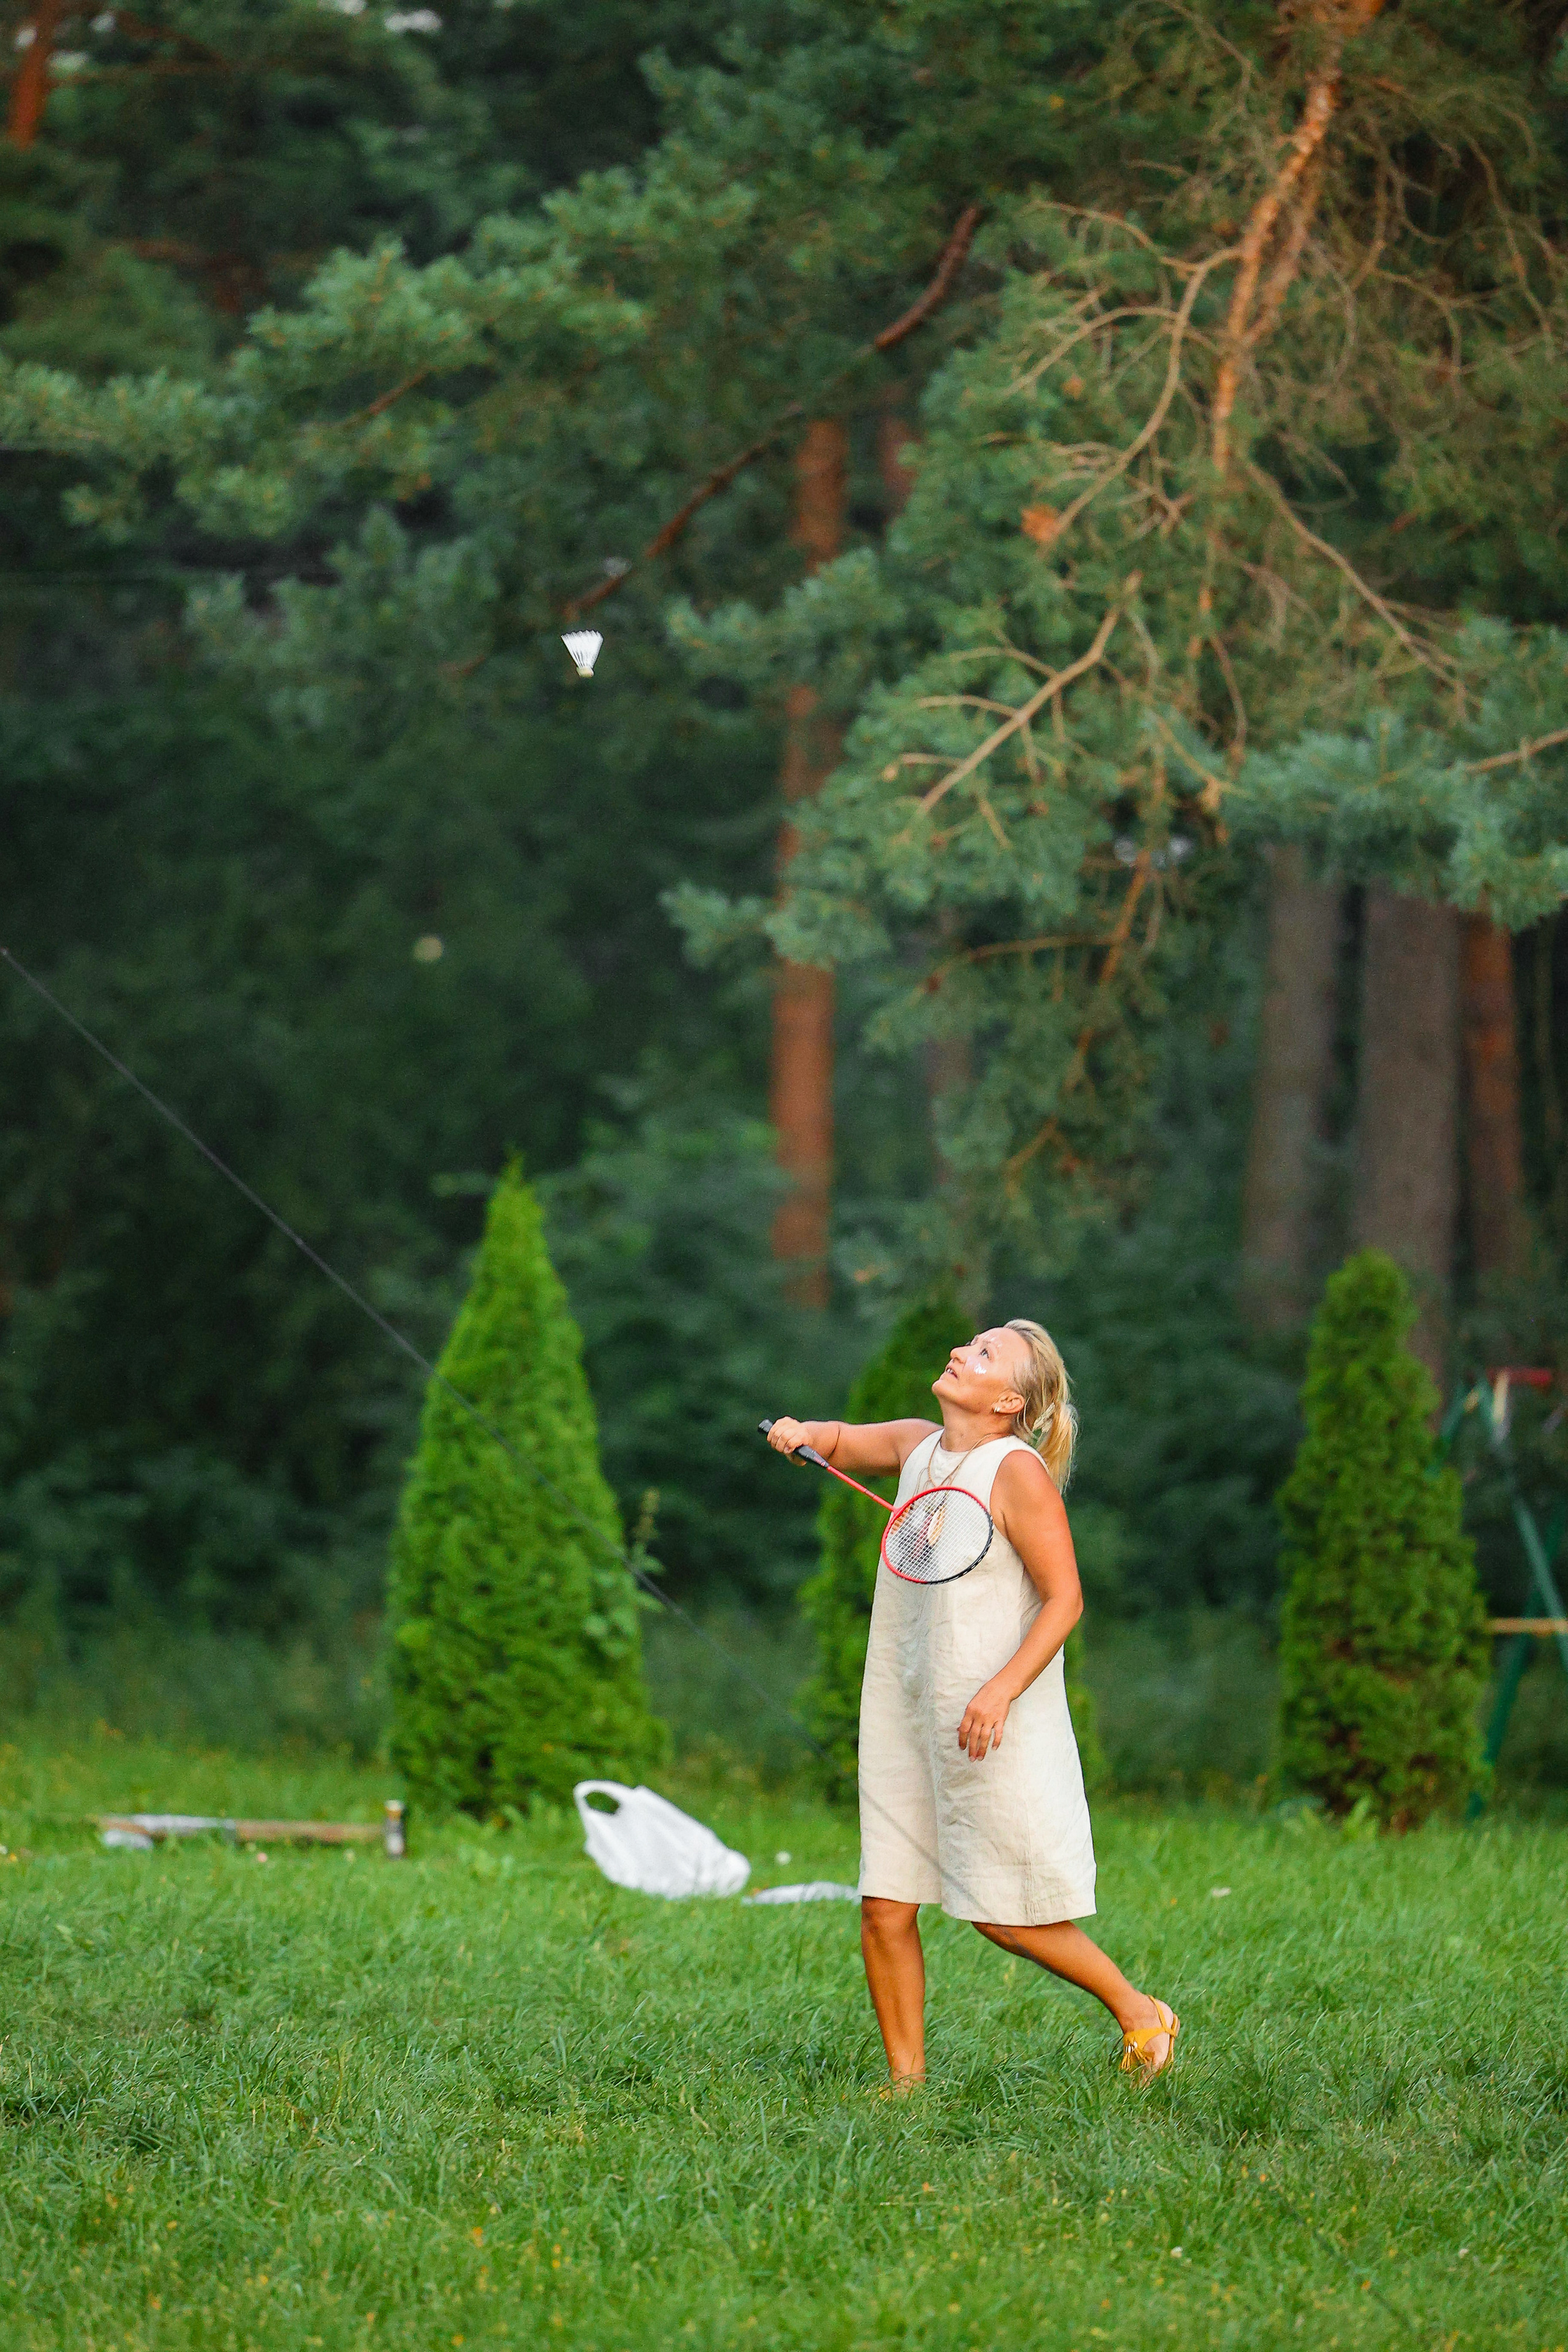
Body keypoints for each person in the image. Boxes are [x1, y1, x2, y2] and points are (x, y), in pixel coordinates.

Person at [766, 1320, 1179, 2089]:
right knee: (885, 1906)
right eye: (969, 1344)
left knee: (1001, 1913)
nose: (962, 1352)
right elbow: (843, 1439)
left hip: (990, 1718)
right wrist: (800, 1432)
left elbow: (1065, 1600)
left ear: (1010, 1403)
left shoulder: (1013, 1471)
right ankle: (906, 2090)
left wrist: (998, 1690)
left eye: (985, 1355)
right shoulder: (920, 1445)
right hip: (905, 1704)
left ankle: (1139, 2010)